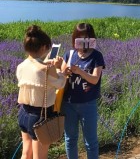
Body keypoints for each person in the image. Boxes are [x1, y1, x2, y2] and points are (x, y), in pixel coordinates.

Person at [16, 25, 66, 159]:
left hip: (23, 113)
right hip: (40, 117)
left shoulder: (21, 66)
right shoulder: (46, 69)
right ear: (44, 48)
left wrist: (46, 64)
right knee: (40, 157)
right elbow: (60, 83)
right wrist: (60, 69)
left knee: (26, 153)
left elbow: (34, 73)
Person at [61, 23, 105, 159]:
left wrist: (79, 71)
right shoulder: (69, 54)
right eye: (79, 37)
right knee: (70, 139)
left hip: (88, 104)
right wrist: (64, 71)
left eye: (85, 37)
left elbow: (94, 80)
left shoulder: (96, 56)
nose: (82, 40)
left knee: (91, 142)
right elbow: (61, 76)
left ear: (91, 39)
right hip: (68, 104)